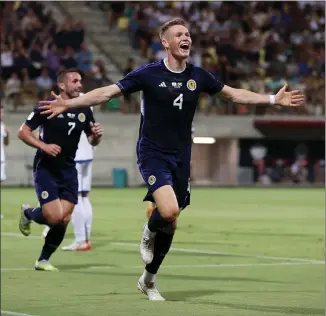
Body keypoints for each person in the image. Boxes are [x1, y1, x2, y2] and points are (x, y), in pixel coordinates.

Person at [38, 18, 304, 298]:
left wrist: (273, 100)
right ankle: (148, 230)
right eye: (178, 34)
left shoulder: (198, 76)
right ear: (165, 43)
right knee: (168, 212)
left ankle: (148, 280)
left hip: (181, 156)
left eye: (187, 34)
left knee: (172, 223)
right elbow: (106, 92)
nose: (185, 37)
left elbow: (233, 94)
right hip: (152, 153)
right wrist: (68, 102)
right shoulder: (148, 74)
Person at [18, 68, 103, 271]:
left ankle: (43, 259)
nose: (80, 85)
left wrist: (97, 136)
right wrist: (44, 146)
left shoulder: (84, 108)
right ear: (62, 85)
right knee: (54, 216)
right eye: (75, 81)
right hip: (46, 168)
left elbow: (92, 140)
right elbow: (23, 132)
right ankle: (28, 213)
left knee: (63, 219)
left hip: (68, 169)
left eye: (80, 81)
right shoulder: (47, 106)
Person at [1, 106, 9, 219]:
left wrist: (7, 134)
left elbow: (6, 143)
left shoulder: (2, 126)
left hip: (1, 159)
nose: (2, 114)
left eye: (2, 112)